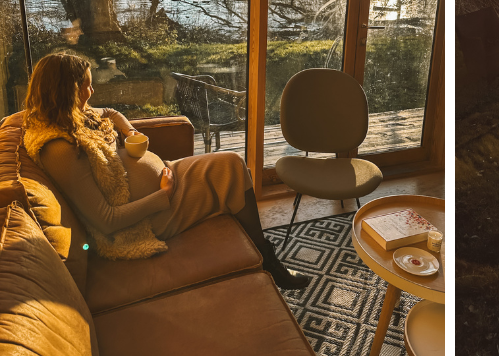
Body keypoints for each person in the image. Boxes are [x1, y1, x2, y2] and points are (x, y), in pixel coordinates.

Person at [21, 52, 310, 291]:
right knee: (230, 178)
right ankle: (268, 264)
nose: (91, 92)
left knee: (232, 163)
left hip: (166, 181)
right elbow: (107, 221)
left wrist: (129, 130)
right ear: (65, 91)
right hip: (147, 217)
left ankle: (263, 256)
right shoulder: (57, 148)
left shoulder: (72, 116)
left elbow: (108, 113)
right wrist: (163, 195)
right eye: (85, 86)